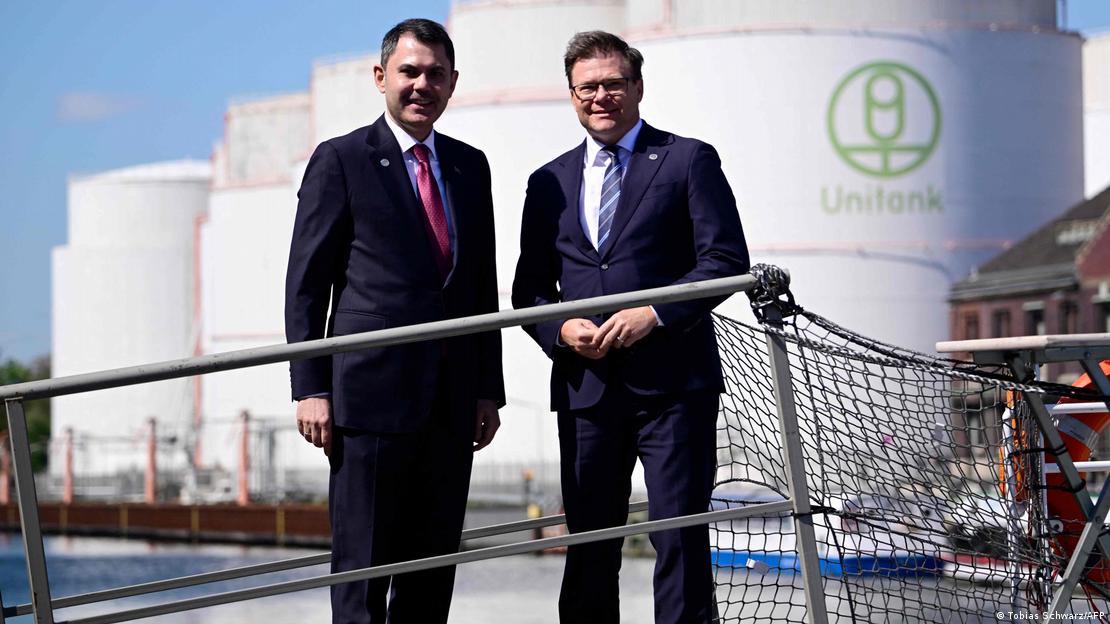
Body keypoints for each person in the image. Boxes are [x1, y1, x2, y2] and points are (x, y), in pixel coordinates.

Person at [511, 30, 749, 624]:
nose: (601, 96)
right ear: (571, 95)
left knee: (680, 542)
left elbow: (725, 261)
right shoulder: (547, 182)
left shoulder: (688, 159)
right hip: (586, 390)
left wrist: (654, 313)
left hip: (675, 389)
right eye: (587, 87)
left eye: (613, 83)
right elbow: (529, 291)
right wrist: (561, 331)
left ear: (637, 87)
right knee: (590, 548)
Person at [284, 18, 504, 624]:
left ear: (452, 83)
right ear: (381, 77)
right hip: (369, 403)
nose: (422, 85)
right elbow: (307, 285)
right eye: (410, 72)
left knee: (430, 580)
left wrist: (487, 389)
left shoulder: (470, 166)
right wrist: (310, 387)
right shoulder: (341, 160)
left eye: (436, 74)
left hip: (452, 404)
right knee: (363, 573)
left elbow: (480, 286)